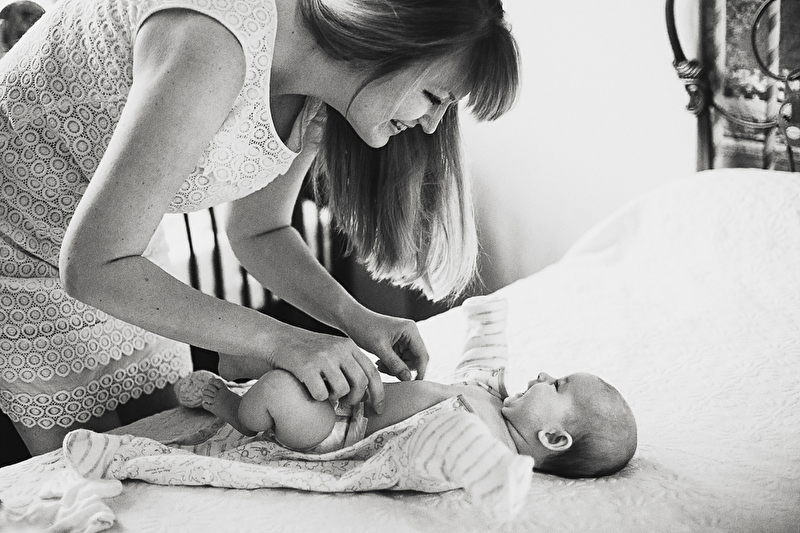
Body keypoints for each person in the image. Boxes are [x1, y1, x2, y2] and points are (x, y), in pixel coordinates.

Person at [0, 0, 521, 455]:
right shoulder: (214, 40)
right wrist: (283, 342)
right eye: (435, 96)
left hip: (120, 251)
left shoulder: (314, 89)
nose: (431, 125)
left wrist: (358, 320)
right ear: (392, 38)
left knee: (160, 450)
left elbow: (259, 231)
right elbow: (91, 267)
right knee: (89, 481)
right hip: (22, 257)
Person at [185, 296, 638, 479]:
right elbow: (482, 360)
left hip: (340, 434)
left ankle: (234, 409)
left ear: (553, 438)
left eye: (556, 385)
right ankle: (240, 365)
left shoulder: (490, 453)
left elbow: (430, 468)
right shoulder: (497, 400)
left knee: (281, 390)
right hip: (358, 396)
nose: (541, 375)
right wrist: (487, 320)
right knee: (302, 357)